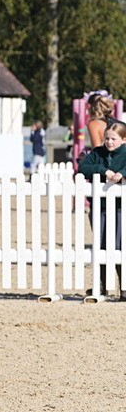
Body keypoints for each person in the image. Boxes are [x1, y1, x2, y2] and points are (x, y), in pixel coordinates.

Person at [77, 121, 126, 298]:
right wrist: (103, 170)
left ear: (124, 139)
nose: (109, 142)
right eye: (107, 138)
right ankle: (102, 286)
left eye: (113, 139)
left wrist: (123, 173)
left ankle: (124, 288)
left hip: (121, 209)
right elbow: (82, 168)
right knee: (101, 245)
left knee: (121, 246)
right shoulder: (97, 153)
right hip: (100, 208)